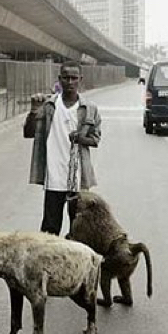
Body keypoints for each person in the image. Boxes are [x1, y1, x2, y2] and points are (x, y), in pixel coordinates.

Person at [27, 61, 101, 236]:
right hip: (54, 178)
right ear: (59, 79)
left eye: (74, 78)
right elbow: (29, 133)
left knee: (79, 229)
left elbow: (95, 139)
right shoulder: (48, 106)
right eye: (66, 78)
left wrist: (80, 138)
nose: (70, 82)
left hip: (77, 178)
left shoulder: (89, 109)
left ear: (80, 80)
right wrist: (32, 112)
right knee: (50, 229)